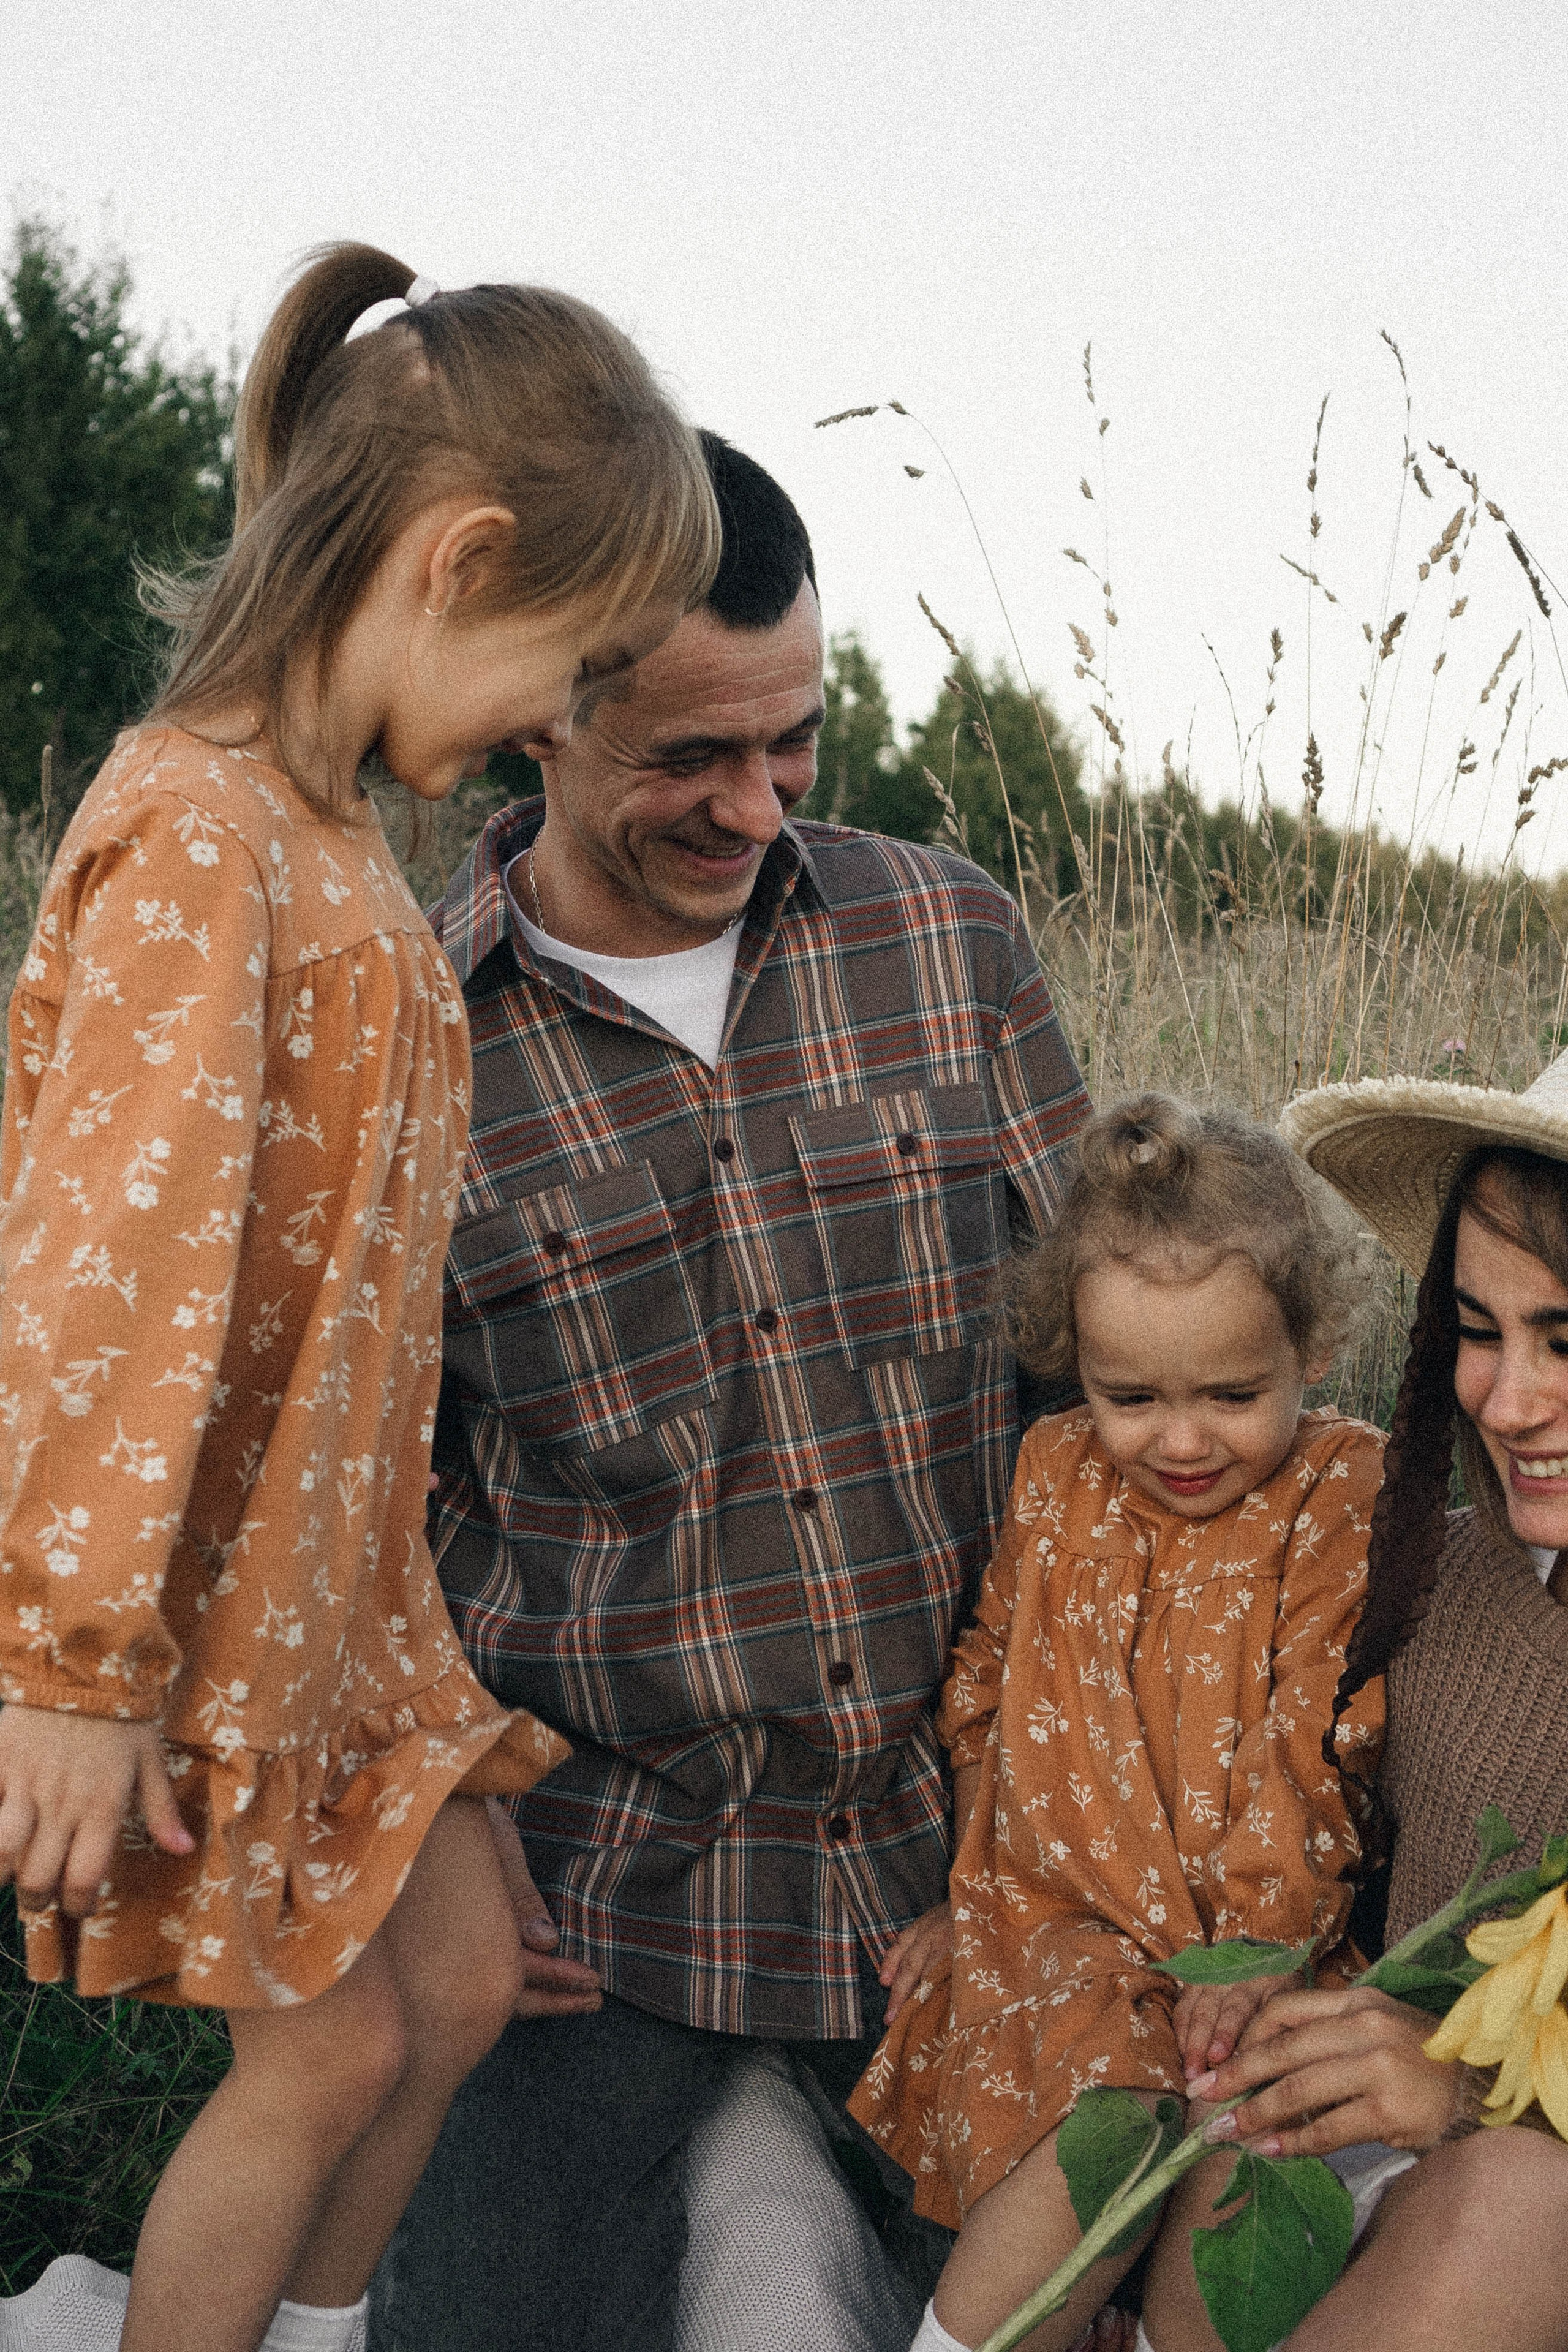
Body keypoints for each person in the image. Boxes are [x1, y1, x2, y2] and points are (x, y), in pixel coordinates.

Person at [0, 242, 718, 2352]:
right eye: (570, 667)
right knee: (315, 2061)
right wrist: (66, 1661)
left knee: (464, 1986)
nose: (556, 733)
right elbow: (99, 1279)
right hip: (183, 1599)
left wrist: (403, 1650)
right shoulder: (197, 838)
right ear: (458, 557)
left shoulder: (335, 856)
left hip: (343, 1602)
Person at [371, 433, 1093, 2352]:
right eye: (690, 756)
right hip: (599, 1906)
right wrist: (440, 1802)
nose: (758, 805)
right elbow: (352, 1519)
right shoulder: (406, 1047)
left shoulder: (953, 941)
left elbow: (1102, 1389)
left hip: (972, 1876)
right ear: (538, 709)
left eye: (796, 742)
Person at [846, 1095, 1388, 2352]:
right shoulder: (1053, 1475)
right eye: (1128, 1395)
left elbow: (1320, 1742)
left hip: (1247, 1936)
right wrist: (975, 1883)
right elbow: (986, 1681)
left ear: (1307, 1350)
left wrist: (1255, 1951)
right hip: (1063, 1920)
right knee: (1106, 2101)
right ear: (1073, 1367)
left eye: (1231, 1392)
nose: (1182, 1438)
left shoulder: (1330, 1491)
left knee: (1240, 2122)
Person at [1130, 1059, 1568, 2352]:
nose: (1502, 1400)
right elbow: (1341, 1838)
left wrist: (1463, 2107)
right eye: (1477, 1332)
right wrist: (1272, 1965)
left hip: (1513, 2193)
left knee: (1506, 2202)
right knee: (1248, 2115)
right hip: (1405, 2144)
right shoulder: (1438, 1577)